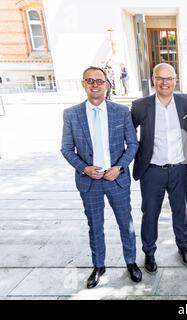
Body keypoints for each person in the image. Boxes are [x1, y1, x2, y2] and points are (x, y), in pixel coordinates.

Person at [61, 66, 141, 288]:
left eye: (99, 81)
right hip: (90, 182)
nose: (95, 84)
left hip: (116, 179)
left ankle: (131, 262)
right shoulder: (71, 114)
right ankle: (98, 265)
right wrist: (84, 168)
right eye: (90, 80)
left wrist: (120, 166)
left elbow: (133, 144)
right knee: (95, 225)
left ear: (107, 84)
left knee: (126, 224)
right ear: (83, 84)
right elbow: (66, 149)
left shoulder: (121, 112)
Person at [131, 63, 187, 273]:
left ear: (176, 80)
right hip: (152, 170)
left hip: (178, 169)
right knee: (150, 212)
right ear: (154, 79)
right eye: (160, 78)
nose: (165, 83)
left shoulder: (186, 101)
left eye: (169, 78)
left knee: (180, 210)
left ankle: (182, 246)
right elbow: (129, 135)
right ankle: (149, 252)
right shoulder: (141, 106)